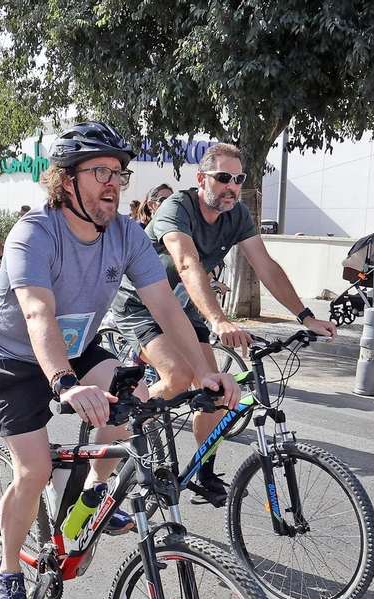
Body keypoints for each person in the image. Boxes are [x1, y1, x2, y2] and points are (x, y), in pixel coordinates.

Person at [0, 122, 239, 599]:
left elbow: (165, 306)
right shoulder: (34, 232)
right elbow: (36, 314)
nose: (114, 183)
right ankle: (8, 571)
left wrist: (207, 372)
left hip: (77, 347)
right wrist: (64, 384)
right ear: (66, 179)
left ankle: (93, 494)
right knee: (31, 472)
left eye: (119, 172)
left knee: (135, 394)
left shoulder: (124, 233)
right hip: (17, 357)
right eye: (100, 171)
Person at [106, 142, 336, 505]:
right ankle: (131, 419)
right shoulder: (176, 207)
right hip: (141, 304)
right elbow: (186, 262)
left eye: (238, 178)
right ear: (202, 179)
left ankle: (202, 471)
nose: (232, 185)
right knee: (178, 376)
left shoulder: (237, 214)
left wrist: (306, 316)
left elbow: (266, 265)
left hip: (184, 307)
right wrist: (219, 320)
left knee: (213, 392)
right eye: (223, 177)